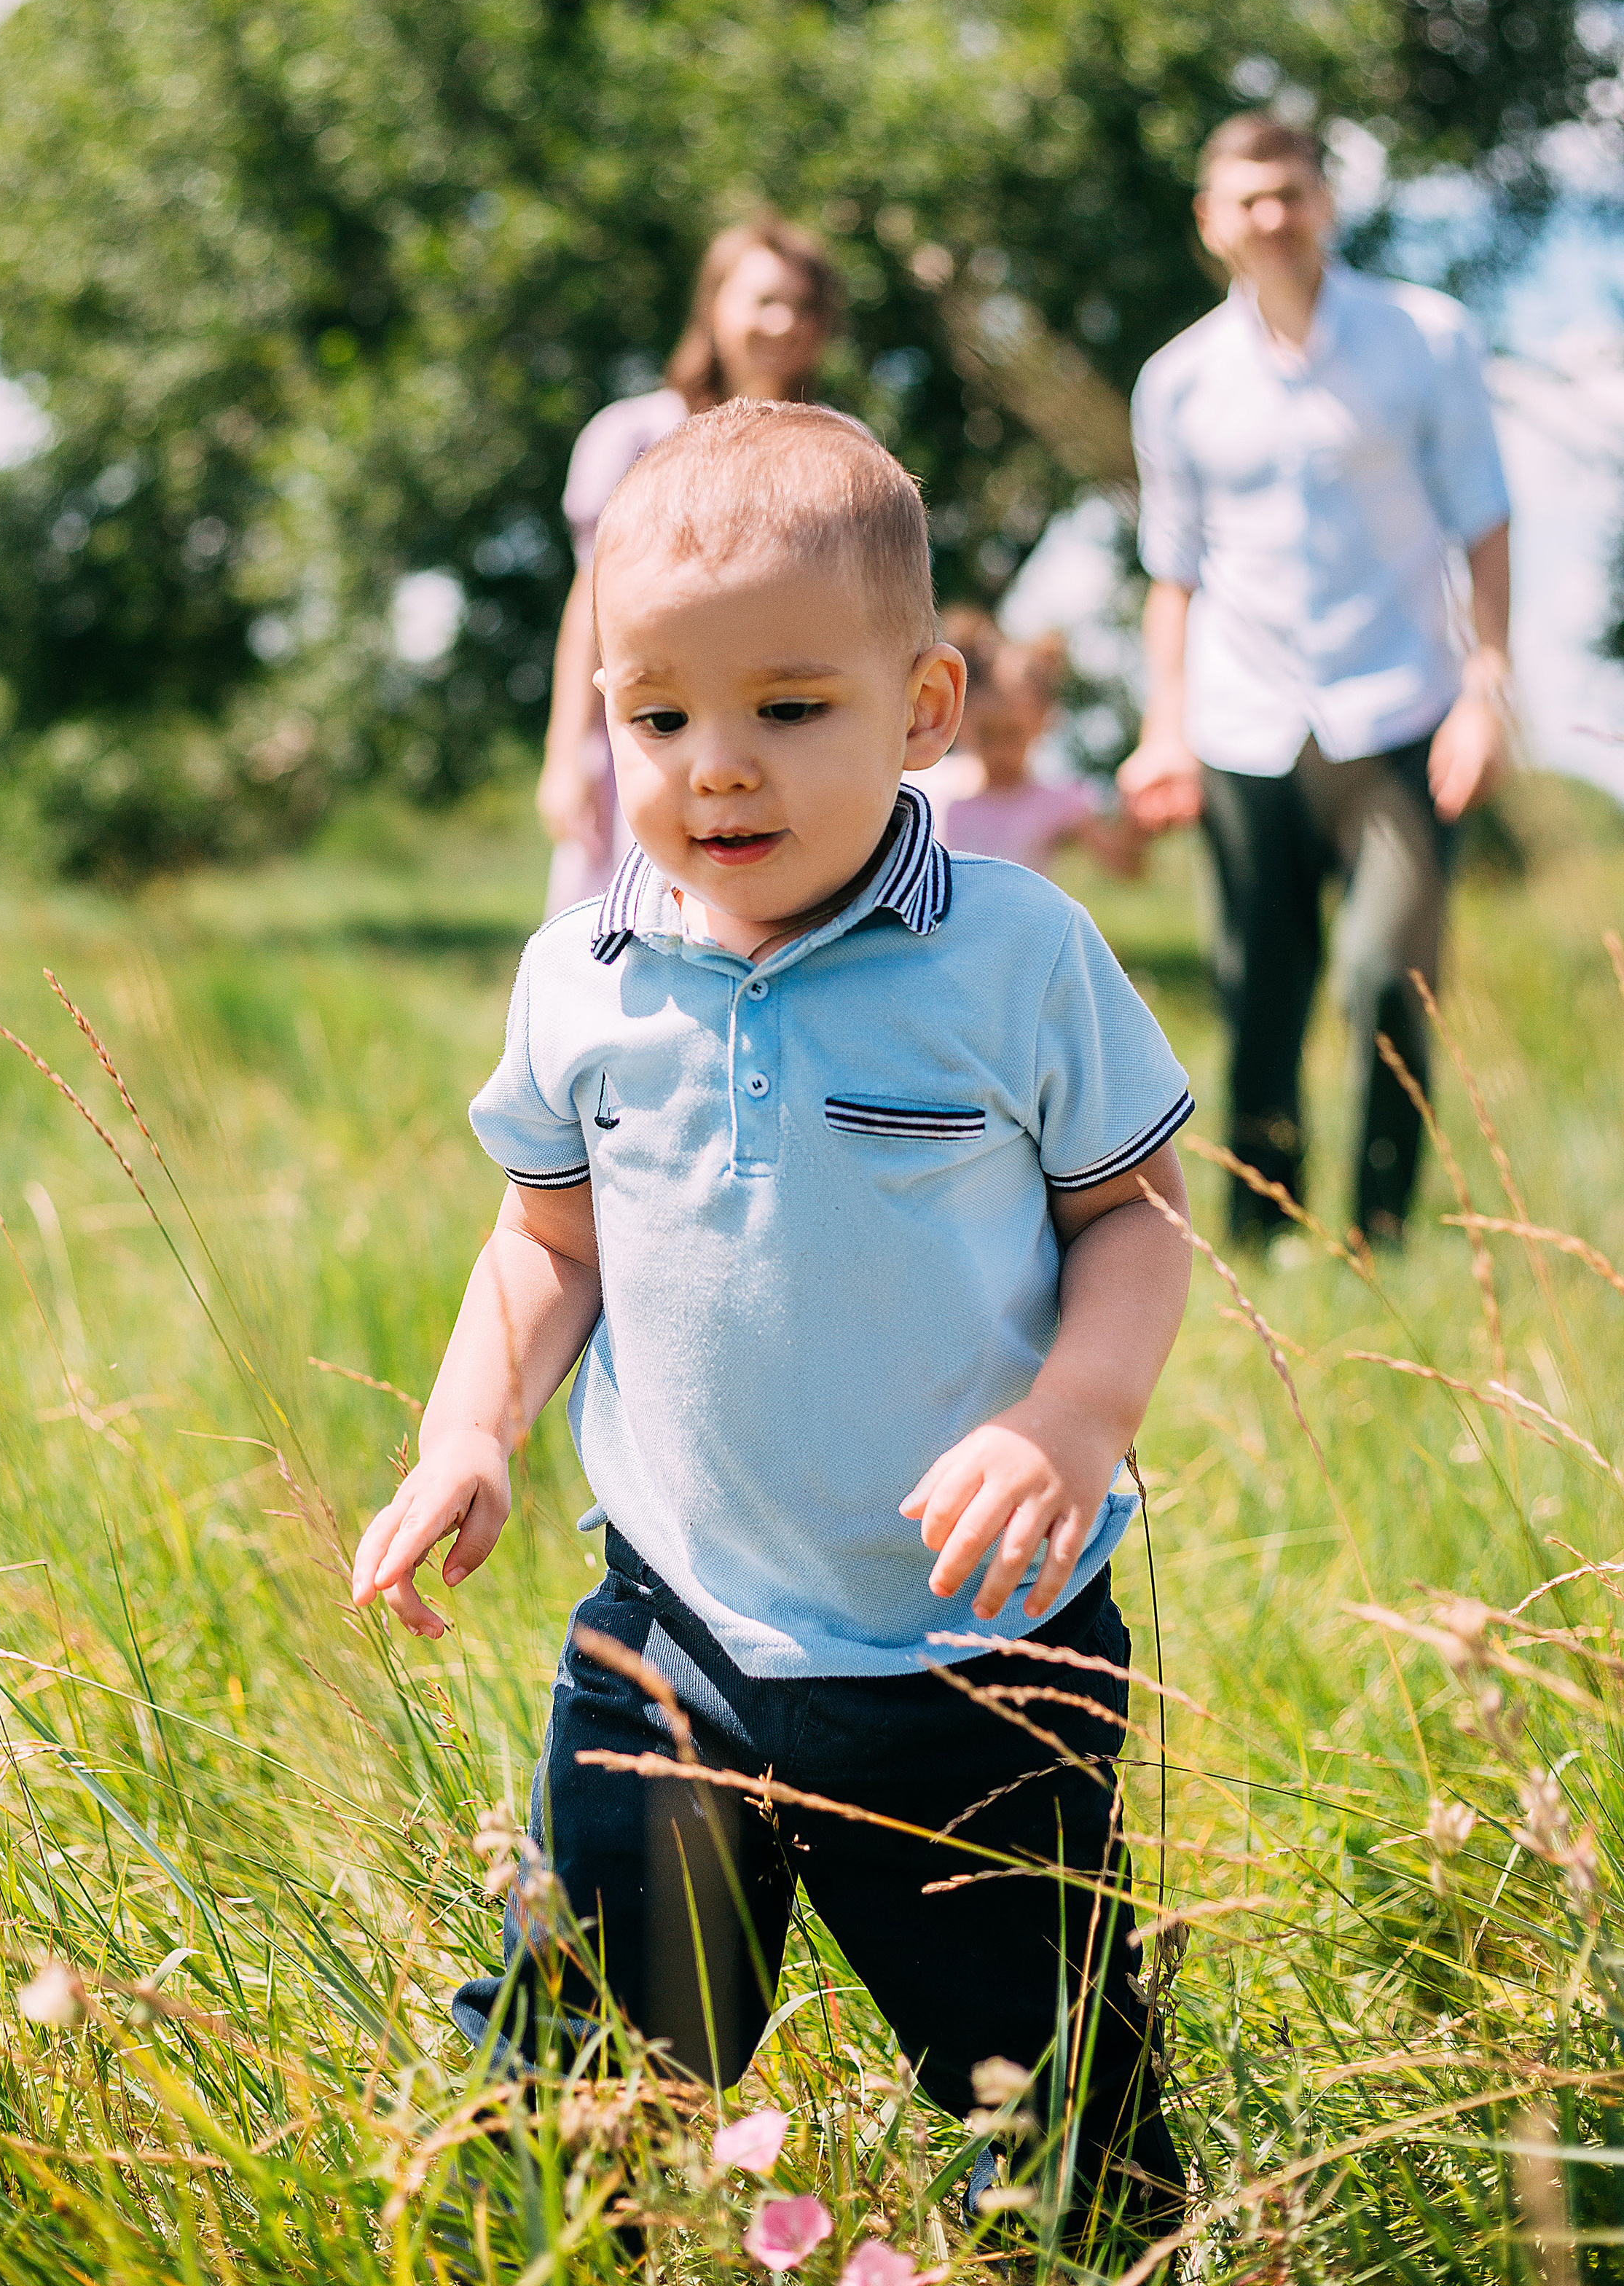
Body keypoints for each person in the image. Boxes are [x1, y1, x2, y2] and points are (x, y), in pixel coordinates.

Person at [353, 399, 1197, 2240]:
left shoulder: (1012, 948)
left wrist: (1068, 1417)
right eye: (656, 714)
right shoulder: (577, 974)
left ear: (920, 708)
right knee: (577, 2070)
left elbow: (1130, 1217)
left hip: (978, 1649)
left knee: (1050, 2102)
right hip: (675, 1631)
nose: (713, 768)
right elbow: (543, 1243)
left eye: (786, 709)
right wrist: (470, 1427)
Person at [1117, 111, 1512, 1247]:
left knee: (1389, 982)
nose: (1274, 217)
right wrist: (1164, 729)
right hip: (1246, 728)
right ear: (1211, 222)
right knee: (1261, 998)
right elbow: (1173, 573)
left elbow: (1484, 521)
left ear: (1325, 202)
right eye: (1249, 198)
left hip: (1402, 714)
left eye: (1292, 192)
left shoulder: (1426, 340)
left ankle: (1381, 1231)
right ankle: (1263, 1241)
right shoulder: (1177, 382)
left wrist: (1488, 691)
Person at [536, 219, 841, 914]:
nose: (784, 321)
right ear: (713, 306)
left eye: (803, 305)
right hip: (654, 742)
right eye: (763, 299)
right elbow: (593, 609)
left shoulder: (840, 449)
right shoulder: (631, 436)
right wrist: (568, 756)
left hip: (785, 742)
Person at [920, 611, 1147, 880]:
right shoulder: (929, 789)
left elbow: (1124, 865)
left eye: (1014, 735)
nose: (1000, 750)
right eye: (987, 734)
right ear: (959, 714)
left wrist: (1140, 820)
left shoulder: (1056, 802)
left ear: (1044, 720)